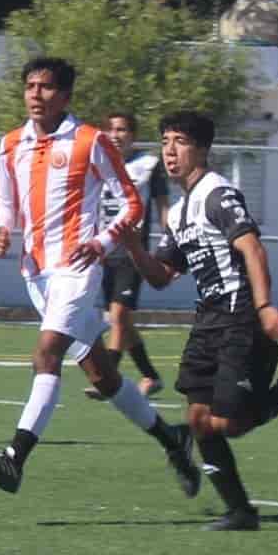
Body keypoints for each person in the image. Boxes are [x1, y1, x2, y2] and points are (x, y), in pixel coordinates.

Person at [0, 58, 200, 500]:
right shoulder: (11, 143)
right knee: (102, 375)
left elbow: (131, 205)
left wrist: (102, 244)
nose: (35, 94)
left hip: (77, 269)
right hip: (36, 273)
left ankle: (14, 458)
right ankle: (174, 440)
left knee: (46, 353)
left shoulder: (90, 141)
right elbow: (6, 201)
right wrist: (0, 228)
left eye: (46, 87)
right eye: (30, 86)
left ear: (66, 96)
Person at [141, 109, 278, 530]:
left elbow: (253, 250)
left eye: (180, 142)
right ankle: (240, 511)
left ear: (201, 149)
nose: (170, 150)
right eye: (165, 141)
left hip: (242, 316)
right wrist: (132, 246)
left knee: (230, 424)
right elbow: (161, 276)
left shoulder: (218, 194)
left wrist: (265, 307)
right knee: (200, 420)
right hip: (208, 321)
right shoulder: (179, 213)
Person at [97, 111, 167, 392]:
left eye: (123, 129)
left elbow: (163, 206)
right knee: (121, 321)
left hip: (132, 253)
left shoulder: (149, 165)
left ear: (133, 136)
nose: (117, 135)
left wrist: (168, 242)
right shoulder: (98, 164)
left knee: (119, 316)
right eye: (111, 129)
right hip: (103, 252)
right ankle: (151, 375)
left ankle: (108, 376)